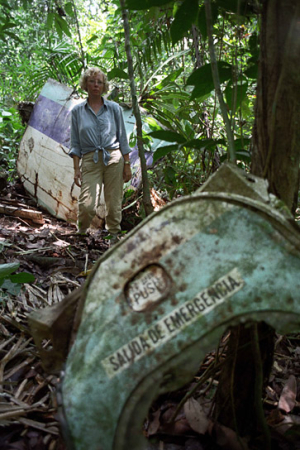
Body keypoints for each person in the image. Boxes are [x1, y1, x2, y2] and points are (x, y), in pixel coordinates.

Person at [69, 67, 132, 242]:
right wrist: (76, 169)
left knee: (113, 203)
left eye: (99, 82)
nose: (96, 85)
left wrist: (127, 165)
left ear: (104, 86)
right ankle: (81, 233)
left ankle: (113, 236)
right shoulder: (77, 112)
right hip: (90, 158)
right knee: (88, 204)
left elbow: (122, 138)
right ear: (85, 84)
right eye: (92, 81)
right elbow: (75, 144)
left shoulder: (114, 109)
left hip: (114, 157)